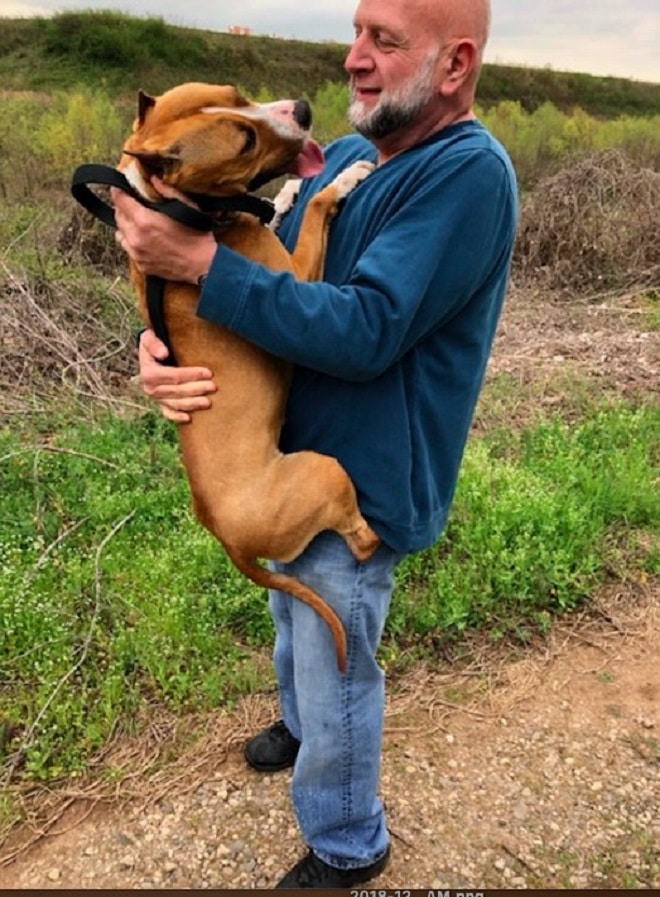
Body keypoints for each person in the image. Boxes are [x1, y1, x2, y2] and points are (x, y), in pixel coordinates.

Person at [113, 0, 518, 887]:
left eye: (385, 41)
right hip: (287, 453)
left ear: (454, 66)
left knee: (337, 658)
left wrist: (202, 269)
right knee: (294, 622)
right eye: (356, 33)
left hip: (363, 475)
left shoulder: (466, 176)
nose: (353, 60)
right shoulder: (343, 156)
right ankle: (300, 725)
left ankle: (347, 841)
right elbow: (262, 283)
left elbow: (368, 327)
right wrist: (160, 341)